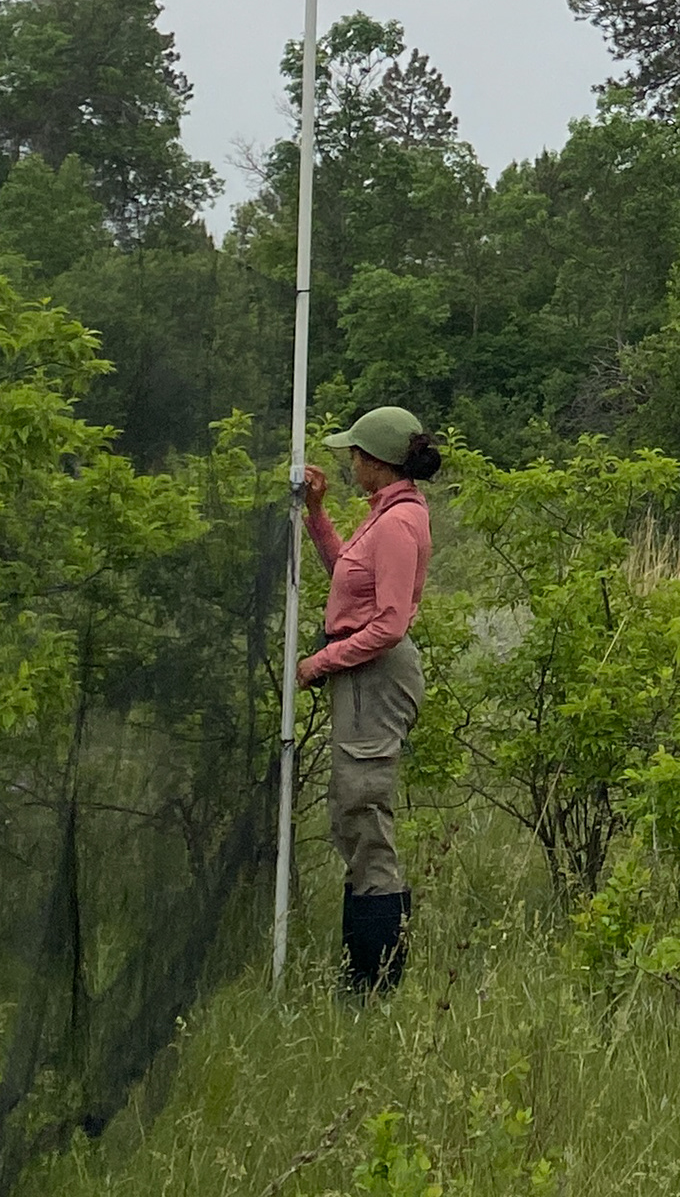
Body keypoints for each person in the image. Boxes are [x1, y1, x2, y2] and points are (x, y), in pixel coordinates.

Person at [296, 402, 439, 993]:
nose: (350, 460)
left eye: (356, 452)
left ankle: (373, 984)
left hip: (375, 677)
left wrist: (320, 662)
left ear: (378, 461)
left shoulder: (401, 524)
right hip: (363, 675)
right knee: (352, 816)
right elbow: (346, 578)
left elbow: (388, 625)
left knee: (363, 810)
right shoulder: (382, 514)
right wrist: (316, 512)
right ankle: (361, 974)